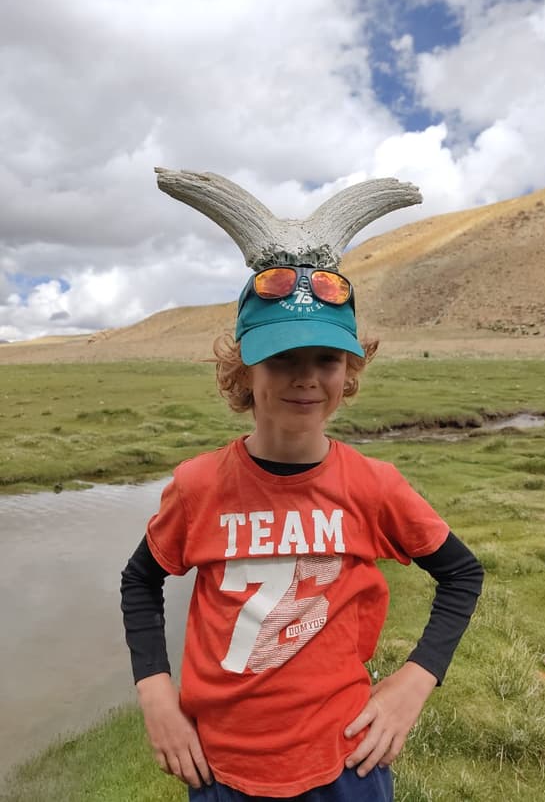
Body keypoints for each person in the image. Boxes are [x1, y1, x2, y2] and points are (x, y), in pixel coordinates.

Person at [121, 265, 484, 801]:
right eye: (282, 358)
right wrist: (155, 693)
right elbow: (139, 582)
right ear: (243, 370)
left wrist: (416, 681)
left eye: (327, 359)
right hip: (220, 768)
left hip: (345, 764)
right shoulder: (199, 486)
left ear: (349, 371)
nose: (306, 377)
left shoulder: (373, 486)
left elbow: (461, 573)